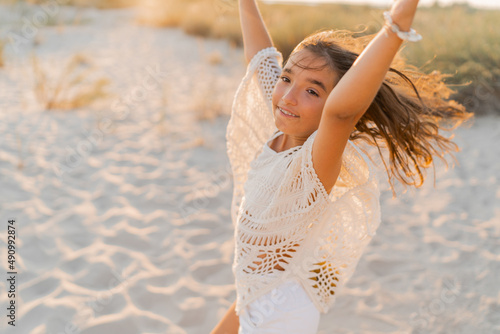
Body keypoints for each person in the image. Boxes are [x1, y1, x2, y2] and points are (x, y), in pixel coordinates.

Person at [211, 0, 471, 333]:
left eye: (312, 91)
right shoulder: (281, 127)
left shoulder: (314, 164)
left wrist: (396, 25)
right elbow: (260, 58)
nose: (289, 96)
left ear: (332, 101)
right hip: (257, 294)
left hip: (280, 316)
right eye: (287, 78)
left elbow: (341, 113)